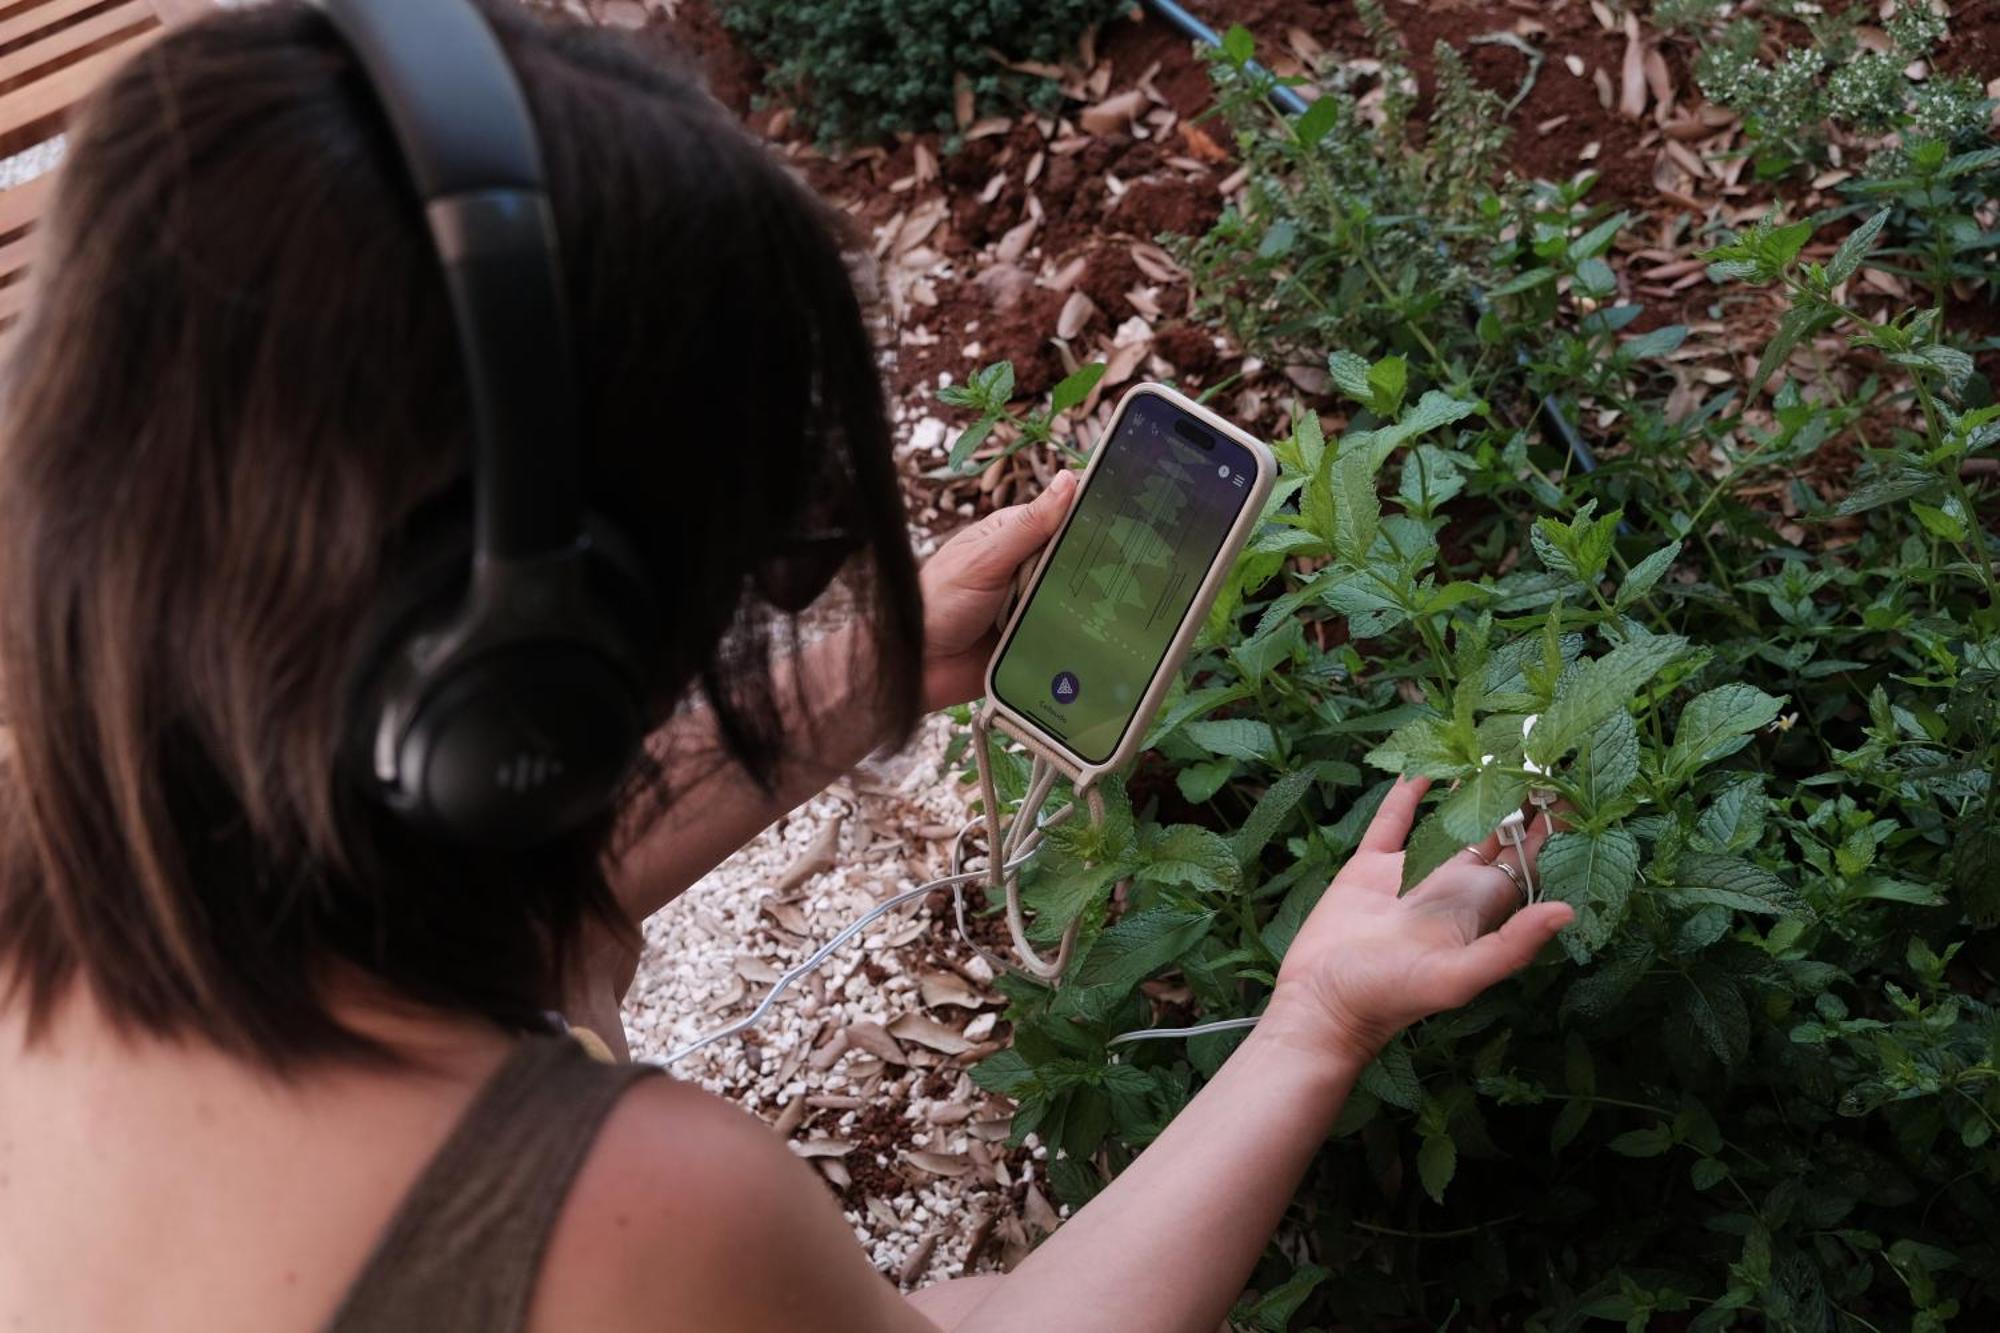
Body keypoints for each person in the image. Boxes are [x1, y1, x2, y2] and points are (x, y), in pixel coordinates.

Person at [0, 4, 1574, 1330]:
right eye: (754, 569)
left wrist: (863, 673)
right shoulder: (629, 1215)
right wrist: (1317, 1024)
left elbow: (456, 909)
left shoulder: (92, 856)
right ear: (519, 709)